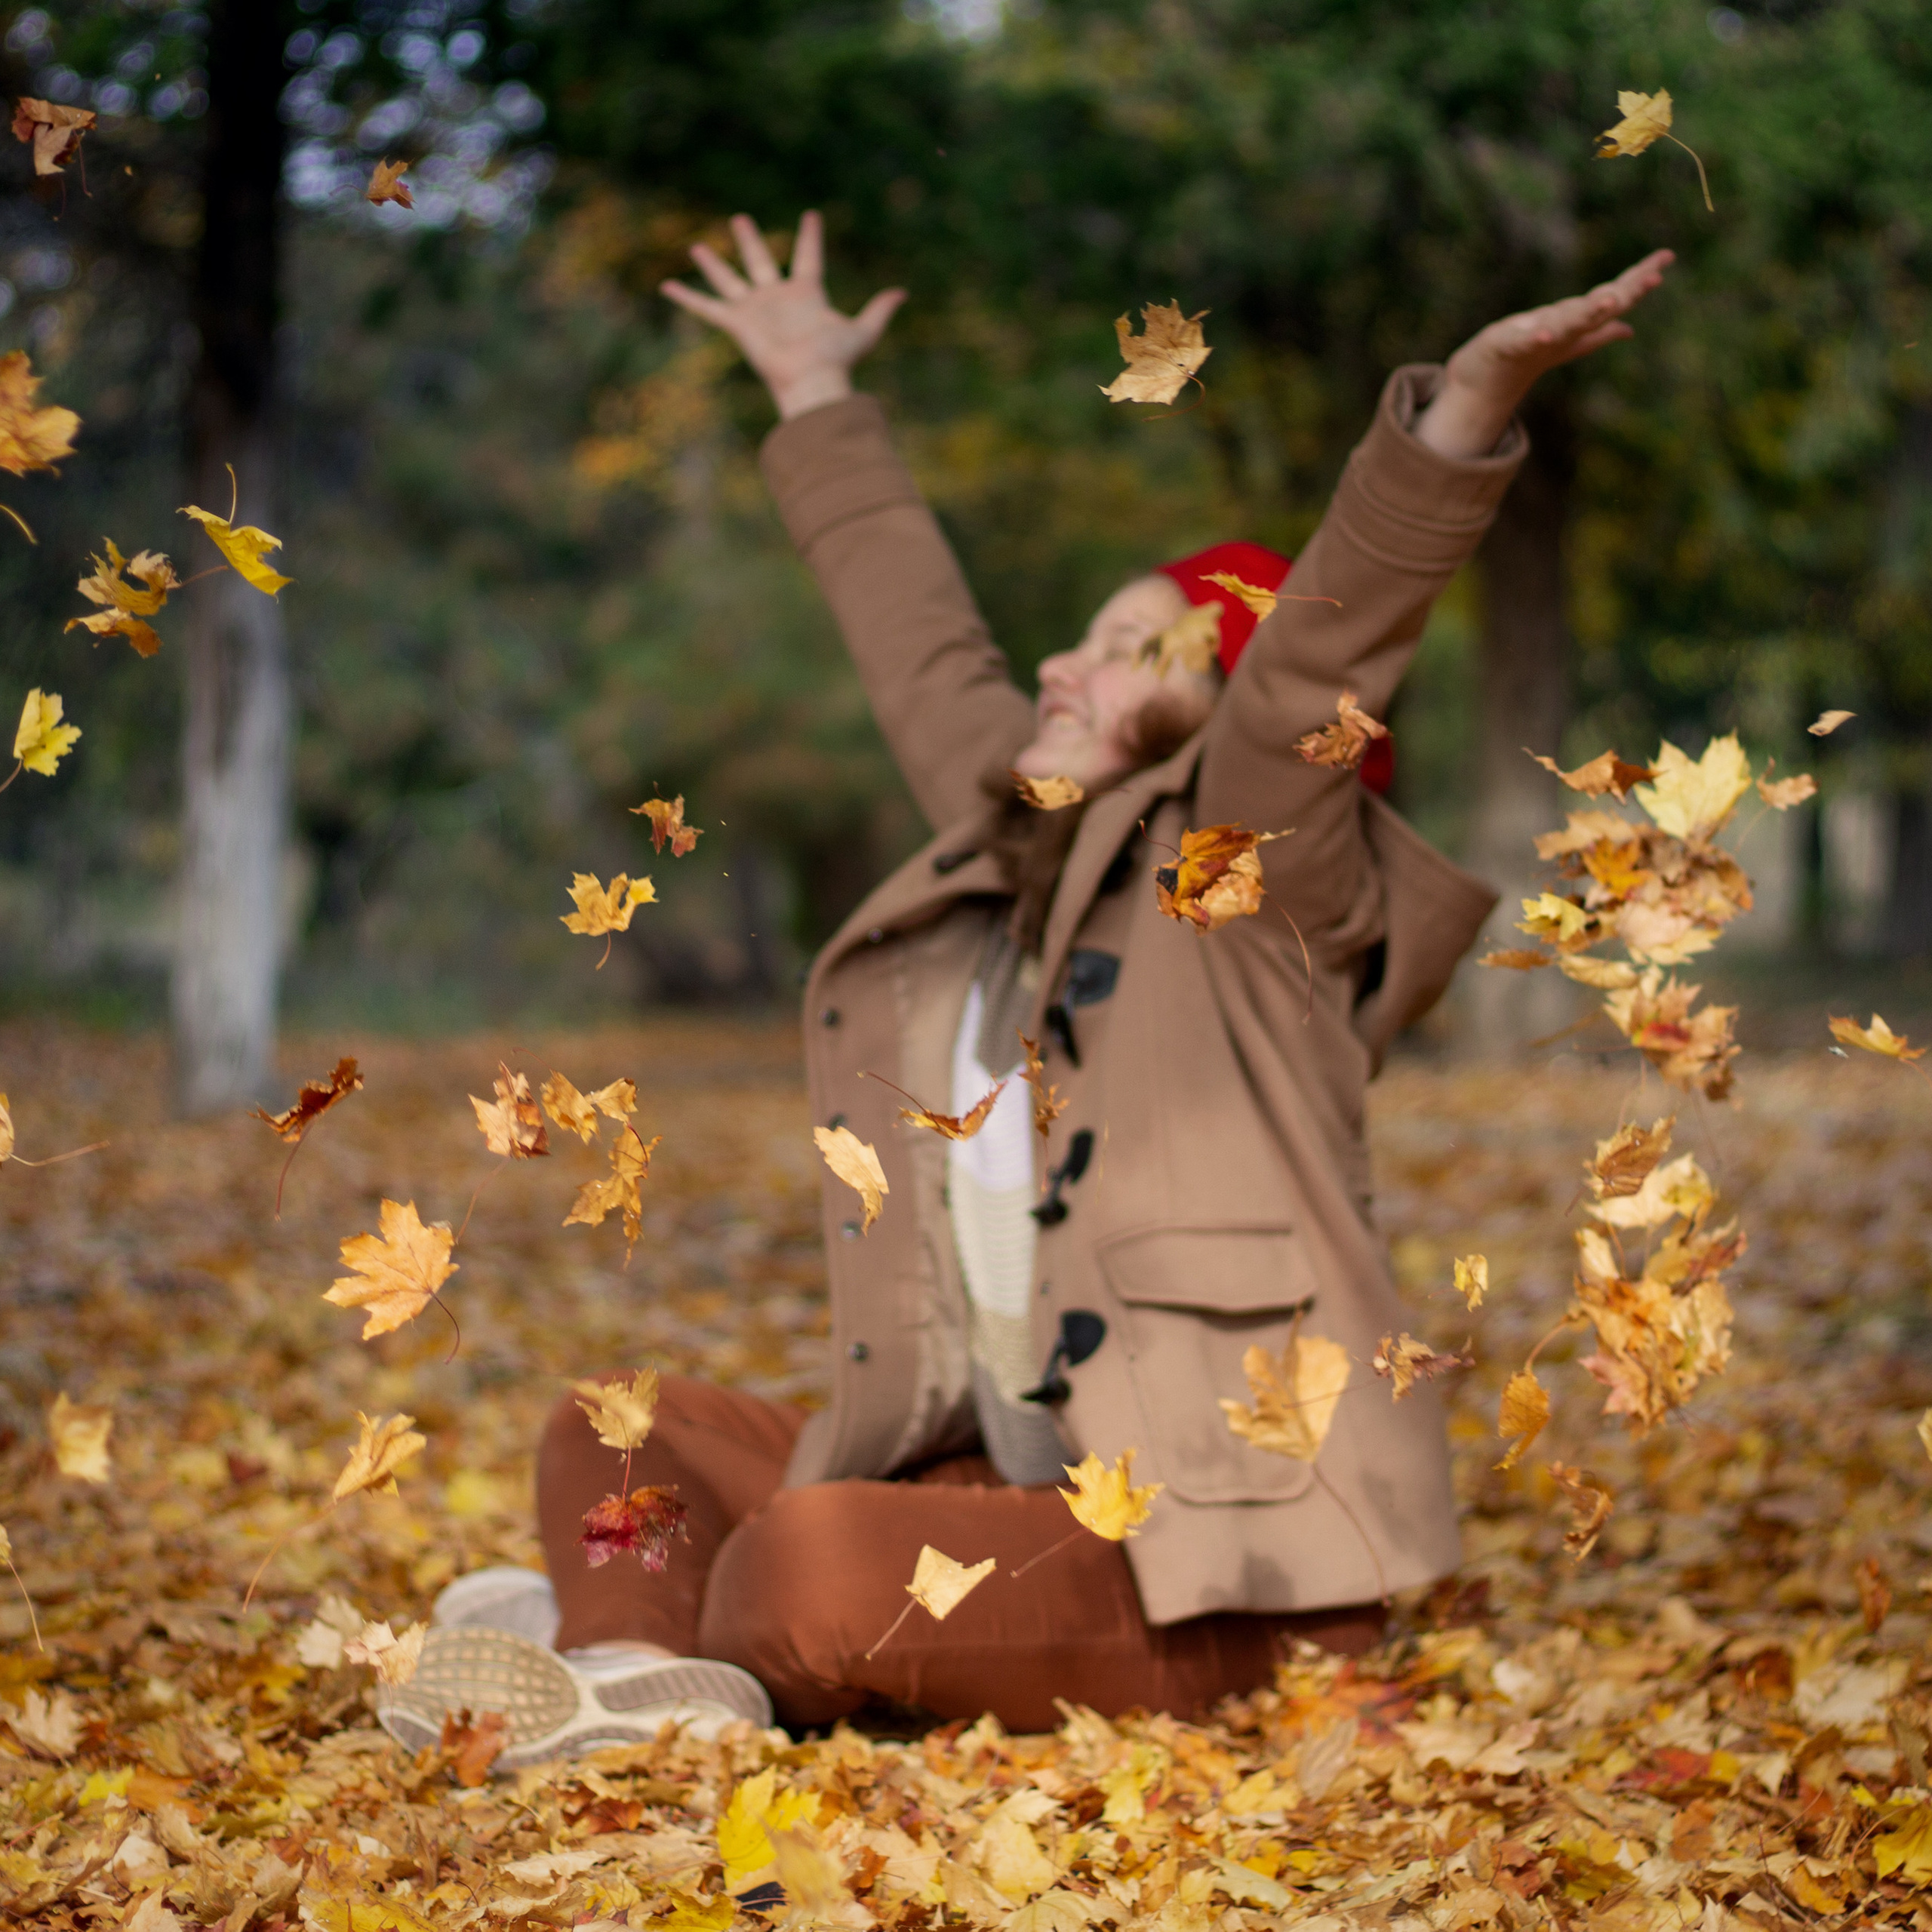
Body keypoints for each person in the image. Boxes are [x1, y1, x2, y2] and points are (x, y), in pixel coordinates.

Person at [379, 215, 1674, 1767]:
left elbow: (1324, 646)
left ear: (1222, 728)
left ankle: (642, 1617)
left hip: (1214, 1566)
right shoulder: (1011, 856)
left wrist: (1458, 415)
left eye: (1132, 649)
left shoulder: (1243, 878)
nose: (1062, 665)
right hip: (1005, 1494)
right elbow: (922, 647)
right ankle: (622, 1671)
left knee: (792, 1575)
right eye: (1084, 634)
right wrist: (808, 392)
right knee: (618, 1423)